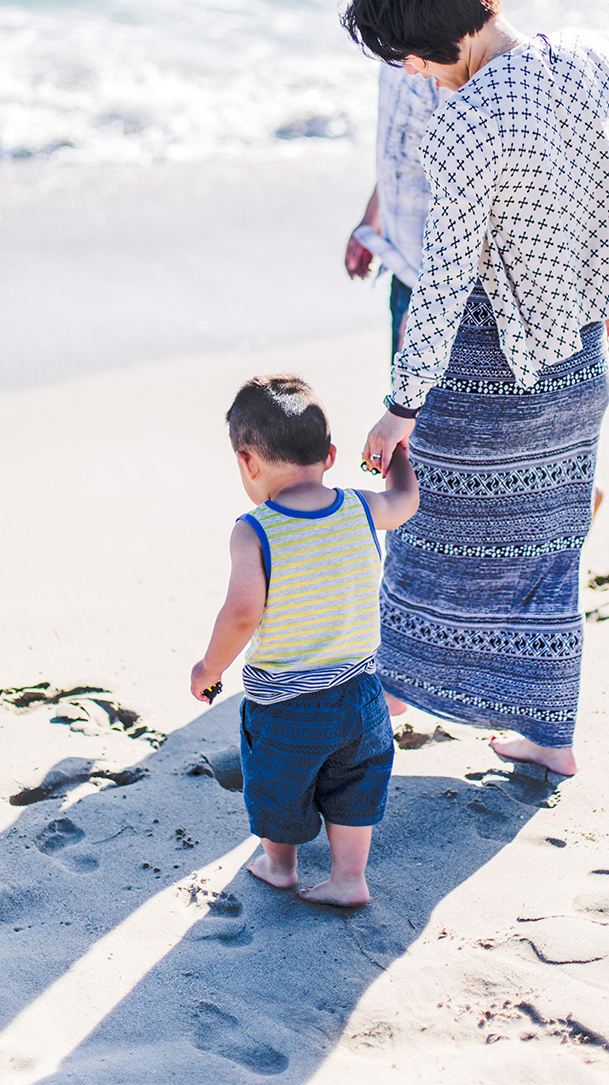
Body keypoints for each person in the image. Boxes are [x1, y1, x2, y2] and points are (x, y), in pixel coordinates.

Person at [347, 0, 609, 779]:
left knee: (427, 529)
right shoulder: (590, 60)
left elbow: (443, 285)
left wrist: (401, 406)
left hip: (492, 367)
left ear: (433, 35)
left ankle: (392, 693)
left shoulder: (463, 124)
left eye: (403, 53)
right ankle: (550, 738)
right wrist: (608, 300)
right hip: (581, 354)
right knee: (549, 550)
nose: (408, 72)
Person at [189, 375, 419, 908]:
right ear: (331, 454)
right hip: (362, 696)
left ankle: (280, 865)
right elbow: (405, 500)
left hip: (286, 706)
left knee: (278, 789)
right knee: (354, 789)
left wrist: (209, 669)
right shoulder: (362, 507)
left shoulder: (255, 529)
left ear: (247, 462)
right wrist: (398, 451)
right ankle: (348, 878)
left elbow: (243, 612)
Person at [311, 0, 441, 358]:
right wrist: (373, 220)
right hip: (403, 258)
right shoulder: (386, 32)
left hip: (444, 288)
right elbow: (405, 145)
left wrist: (431, 307)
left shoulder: (439, 43)